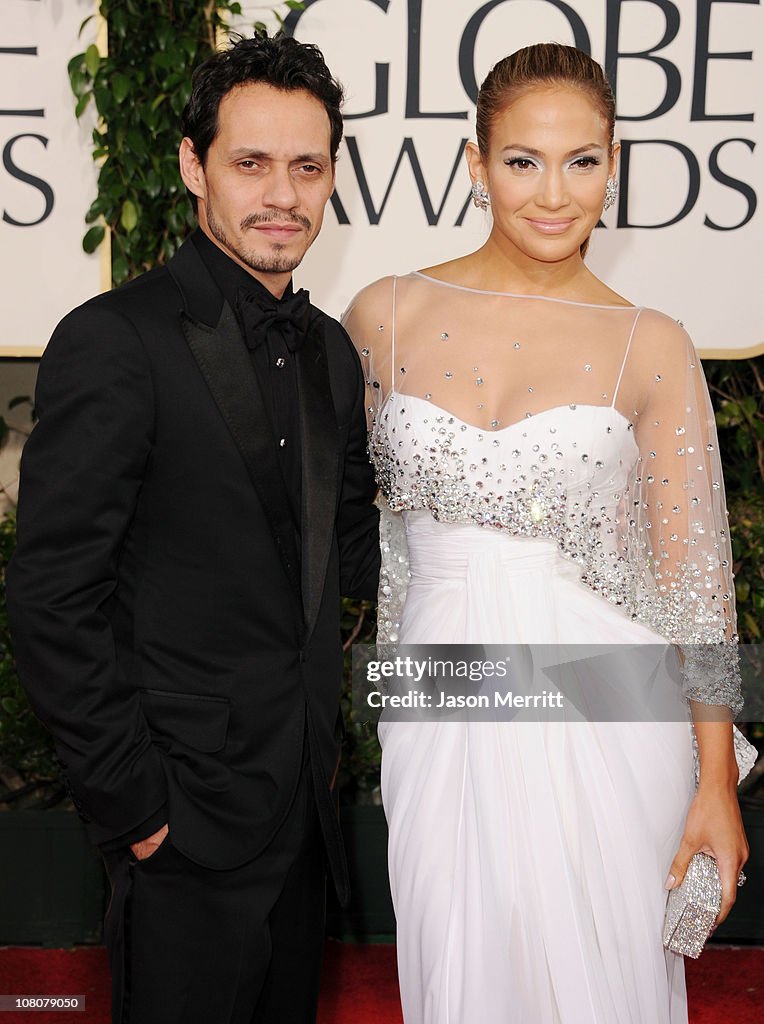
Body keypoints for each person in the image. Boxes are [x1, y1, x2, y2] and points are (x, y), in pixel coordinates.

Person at [343, 43, 753, 1024]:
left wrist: (714, 785)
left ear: (613, 166)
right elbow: (319, 526)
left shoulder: (647, 343)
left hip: (606, 702)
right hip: (436, 697)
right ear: (475, 164)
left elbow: (695, 584)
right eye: (522, 160)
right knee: (459, 966)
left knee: (597, 978)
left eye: (582, 161)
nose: (553, 193)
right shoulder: (381, 316)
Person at [6, 31, 379, 1024]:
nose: (282, 195)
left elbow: (343, 561)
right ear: (192, 166)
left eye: (306, 166)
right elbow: (50, 598)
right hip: (180, 827)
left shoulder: (329, 352)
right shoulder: (113, 340)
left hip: (303, 819)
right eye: (250, 163)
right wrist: (136, 811)